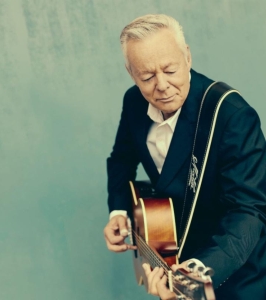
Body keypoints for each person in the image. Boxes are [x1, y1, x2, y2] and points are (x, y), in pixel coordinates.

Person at [103, 14, 266, 299]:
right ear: (132, 74)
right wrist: (118, 211)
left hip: (233, 271)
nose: (162, 85)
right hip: (171, 255)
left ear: (187, 57)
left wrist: (196, 275)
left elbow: (249, 212)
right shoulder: (133, 102)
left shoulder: (231, 116)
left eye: (170, 69)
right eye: (148, 76)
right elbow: (121, 159)